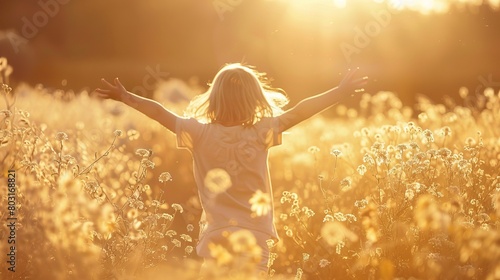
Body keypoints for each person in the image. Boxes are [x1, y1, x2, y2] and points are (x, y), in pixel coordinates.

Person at [95, 63, 367, 277]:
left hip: (216, 234)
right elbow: (300, 111)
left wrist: (126, 97)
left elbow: (160, 113)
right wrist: (339, 92)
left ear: (213, 99)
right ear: (255, 100)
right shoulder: (262, 131)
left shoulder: (198, 133)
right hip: (255, 234)